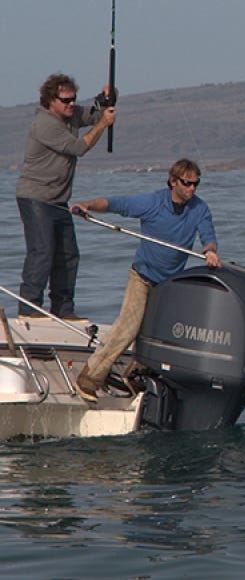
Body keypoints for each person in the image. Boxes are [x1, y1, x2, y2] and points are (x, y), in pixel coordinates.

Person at [70, 158, 221, 403]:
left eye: (196, 184)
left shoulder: (200, 208)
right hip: (142, 277)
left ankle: (134, 375)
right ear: (173, 181)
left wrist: (210, 251)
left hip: (169, 284)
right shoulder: (153, 202)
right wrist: (86, 205)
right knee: (127, 329)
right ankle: (88, 380)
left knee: (164, 332)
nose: (192, 189)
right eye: (187, 183)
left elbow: (208, 234)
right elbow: (116, 204)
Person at [16, 73, 116, 319]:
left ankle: (63, 310)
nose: (71, 104)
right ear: (50, 100)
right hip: (36, 198)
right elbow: (79, 147)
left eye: (73, 99)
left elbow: (93, 114)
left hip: (59, 201)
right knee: (42, 253)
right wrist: (103, 124)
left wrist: (108, 99)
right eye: (65, 100)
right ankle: (29, 311)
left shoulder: (70, 115)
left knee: (68, 255)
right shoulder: (45, 124)